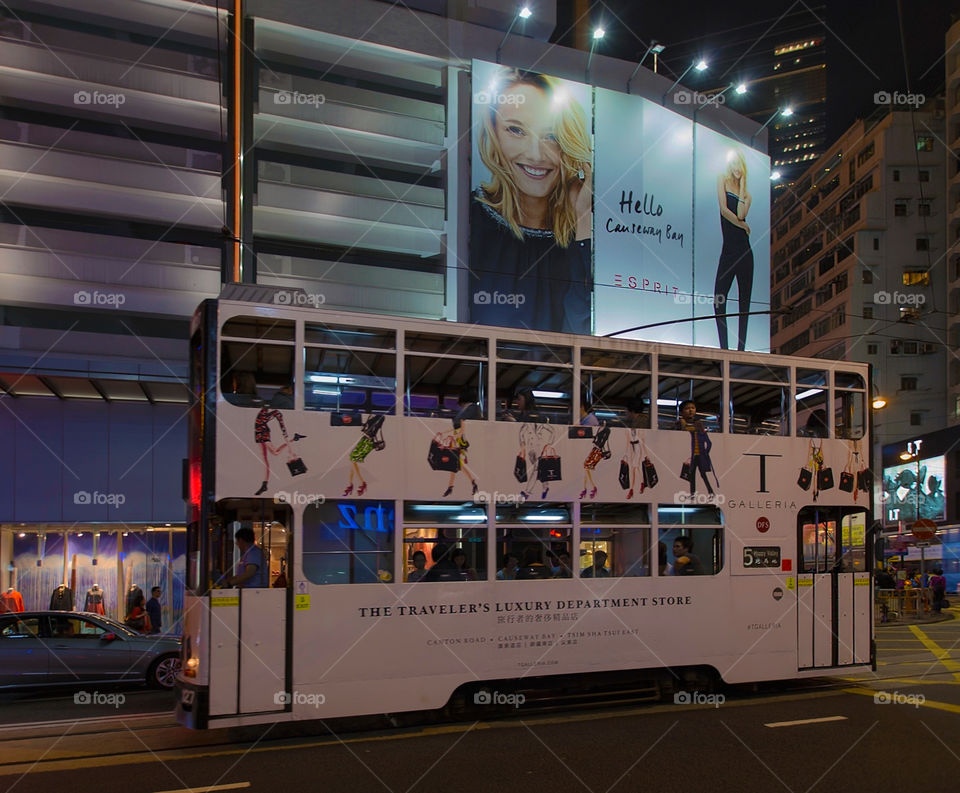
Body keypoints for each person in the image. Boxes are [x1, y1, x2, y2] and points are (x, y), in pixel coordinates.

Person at [469, 67, 592, 335]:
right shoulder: (467, 221)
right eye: (516, 130)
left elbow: (585, 335)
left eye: (551, 136)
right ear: (493, 133)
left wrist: (583, 217)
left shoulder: (580, 238)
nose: (536, 154)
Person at [714, 149, 754, 351]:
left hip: (745, 252)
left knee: (744, 304)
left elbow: (739, 213)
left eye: (741, 165)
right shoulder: (721, 179)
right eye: (734, 164)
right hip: (729, 250)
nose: (737, 169)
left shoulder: (747, 195)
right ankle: (725, 350)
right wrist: (744, 226)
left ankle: (741, 352)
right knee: (719, 300)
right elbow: (724, 211)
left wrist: (743, 186)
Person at [443, 387, 481, 497]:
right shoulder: (469, 409)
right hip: (459, 440)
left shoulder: (472, 408)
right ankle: (470, 483)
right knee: (458, 464)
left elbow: (460, 424)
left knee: (456, 464)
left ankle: (453, 486)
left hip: (461, 440)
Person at [675, 400, 715, 496]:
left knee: (703, 474)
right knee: (691, 474)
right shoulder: (679, 423)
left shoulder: (699, 423)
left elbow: (707, 440)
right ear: (681, 412)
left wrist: (705, 452)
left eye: (692, 408)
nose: (690, 410)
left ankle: (711, 492)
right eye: (687, 408)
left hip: (699, 454)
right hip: (690, 454)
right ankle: (693, 494)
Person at [623, 397, 650, 500]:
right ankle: (640, 484)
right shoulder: (642, 419)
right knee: (635, 467)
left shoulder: (640, 421)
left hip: (637, 447)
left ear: (631, 410)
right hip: (636, 447)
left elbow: (637, 436)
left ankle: (632, 489)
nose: (625, 413)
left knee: (633, 467)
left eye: (626, 410)